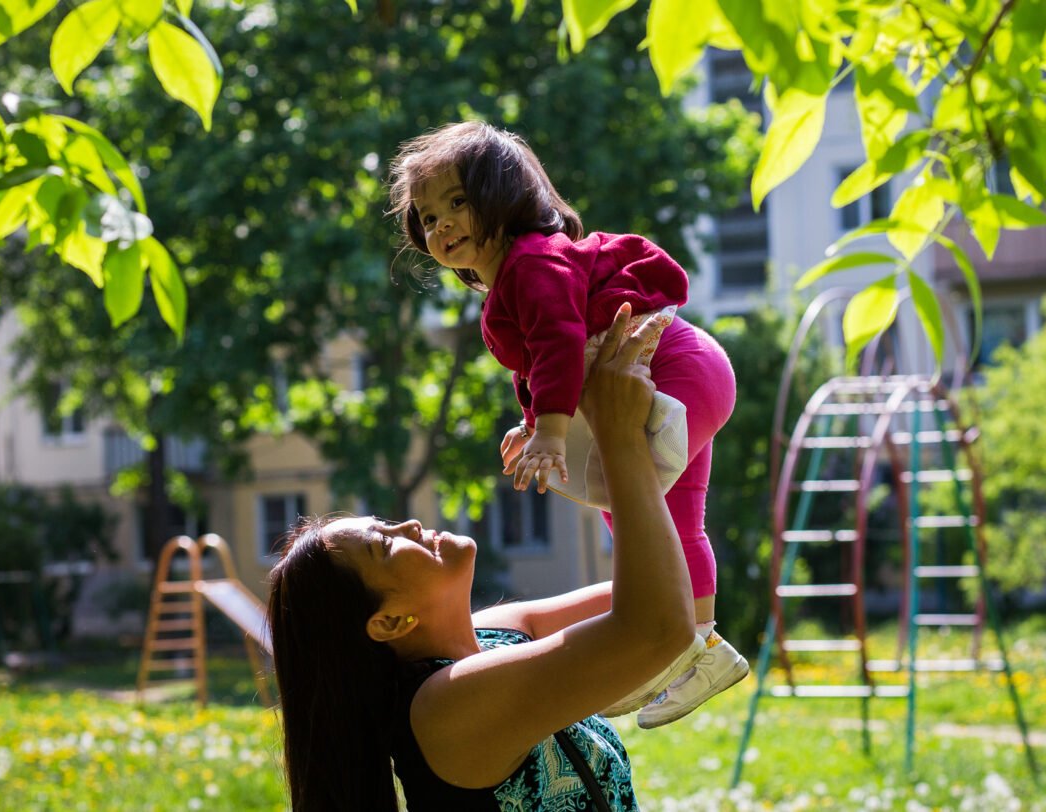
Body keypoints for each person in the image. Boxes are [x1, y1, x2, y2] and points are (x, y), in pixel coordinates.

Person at [387, 120, 746, 727]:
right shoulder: (513, 279)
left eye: (456, 203)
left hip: (673, 369)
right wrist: (534, 423)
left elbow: (558, 342)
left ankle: (669, 647)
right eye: (427, 215)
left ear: (504, 199)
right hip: (687, 372)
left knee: (634, 509)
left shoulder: (531, 262)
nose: (440, 224)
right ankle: (701, 651)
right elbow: (539, 364)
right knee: (661, 521)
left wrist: (552, 431)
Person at [268, 306, 698, 810]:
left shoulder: (494, 635)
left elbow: (671, 596)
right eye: (384, 545)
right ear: (386, 622)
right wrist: (617, 434)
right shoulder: (443, 709)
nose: (406, 525)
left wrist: (584, 436)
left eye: (385, 523)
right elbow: (657, 627)